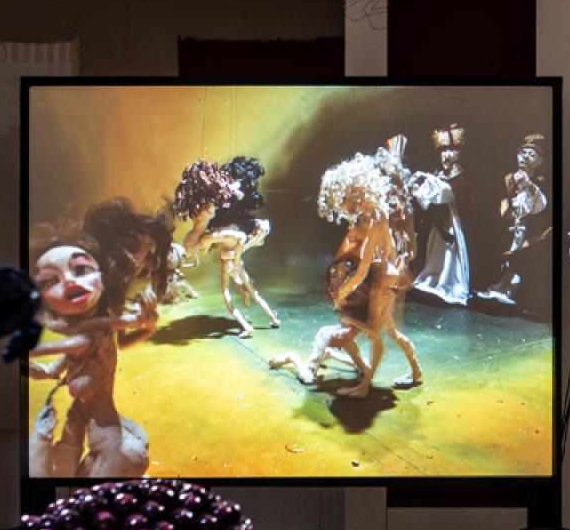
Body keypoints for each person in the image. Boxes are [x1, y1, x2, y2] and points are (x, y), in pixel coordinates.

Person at [25, 206, 170, 478]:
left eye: (148, 253)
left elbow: (115, 341)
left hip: (102, 425)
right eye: (135, 248)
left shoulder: (105, 309)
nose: (142, 260)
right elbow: (74, 345)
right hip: (94, 422)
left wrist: (146, 327)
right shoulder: (95, 310)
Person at [273, 142, 422, 394]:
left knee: (376, 333)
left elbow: (364, 267)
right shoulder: (374, 215)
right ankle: (410, 372)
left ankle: (365, 385)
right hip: (383, 281)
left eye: (347, 196)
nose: (345, 204)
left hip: (380, 283)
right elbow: (381, 255)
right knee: (388, 332)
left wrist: (344, 292)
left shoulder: (375, 218)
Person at [169, 154, 284, 331]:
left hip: (232, 245)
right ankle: (260, 317)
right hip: (227, 249)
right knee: (235, 288)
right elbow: (209, 245)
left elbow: (238, 238)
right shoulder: (208, 231)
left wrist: (235, 257)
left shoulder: (213, 231)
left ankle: (260, 316)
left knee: (241, 287)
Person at [478, 130, 551, 306]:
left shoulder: (539, 181)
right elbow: (502, 199)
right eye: (522, 153)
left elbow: (541, 205)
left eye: (531, 155)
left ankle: (510, 290)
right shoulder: (509, 178)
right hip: (511, 224)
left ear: (539, 161)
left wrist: (530, 186)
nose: (525, 157)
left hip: (529, 227)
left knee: (520, 258)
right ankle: (500, 286)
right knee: (508, 257)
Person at [410, 123, 472, 306]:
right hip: (437, 224)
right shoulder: (438, 175)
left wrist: (431, 181)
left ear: (459, 153)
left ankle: (449, 284)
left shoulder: (462, 176)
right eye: (443, 151)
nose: (446, 155)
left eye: (451, 151)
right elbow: (427, 197)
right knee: (436, 252)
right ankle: (432, 279)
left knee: (451, 255)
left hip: (453, 222)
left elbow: (449, 194)